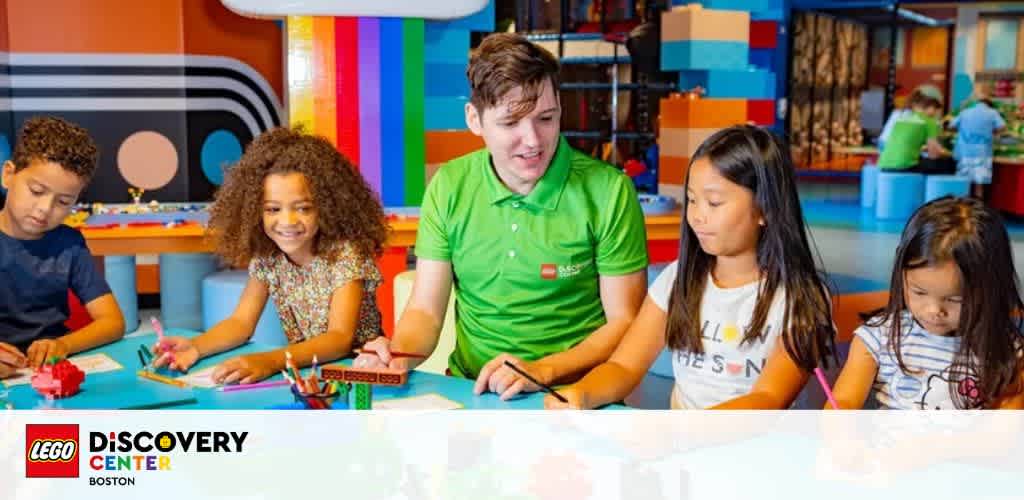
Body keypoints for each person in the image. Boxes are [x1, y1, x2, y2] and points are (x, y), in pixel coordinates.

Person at [356, 32, 649, 400]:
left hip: (574, 395)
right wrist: (397, 355)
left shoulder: (609, 193)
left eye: (546, 118)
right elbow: (426, 312)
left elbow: (625, 323)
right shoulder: (449, 185)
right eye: (511, 123)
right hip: (473, 390)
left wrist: (541, 371)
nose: (533, 140)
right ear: (474, 119)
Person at [545, 125, 836, 409]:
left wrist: (688, 434)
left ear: (765, 209)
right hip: (684, 447)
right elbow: (624, 365)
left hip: (751, 449)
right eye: (692, 200)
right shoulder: (678, 278)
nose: (696, 216)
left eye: (714, 202)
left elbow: (769, 398)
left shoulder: (801, 298)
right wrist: (582, 393)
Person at [154, 127, 388, 384]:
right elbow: (241, 322)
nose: (287, 221)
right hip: (309, 372)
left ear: (328, 207)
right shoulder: (268, 257)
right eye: (273, 209)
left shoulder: (345, 254)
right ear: (256, 211)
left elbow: (339, 339)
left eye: (303, 208)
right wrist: (196, 346)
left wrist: (270, 361)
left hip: (363, 373)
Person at [828, 196, 1024, 409]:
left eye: (954, 299)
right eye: (919, 292)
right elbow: (844, 401)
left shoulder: (1007, 350)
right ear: (901, 274)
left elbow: (1008, 427)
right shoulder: (879, 337)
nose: (934, 311)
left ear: (992, 288)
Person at [0, 116, 125, 376]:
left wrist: (62, 344)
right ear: (8, 174)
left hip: (49, 370)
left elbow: (113, 321)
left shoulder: (69, 245)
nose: (45, 209)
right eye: (36, 191)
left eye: (64, 202)